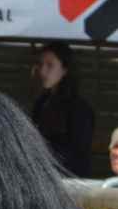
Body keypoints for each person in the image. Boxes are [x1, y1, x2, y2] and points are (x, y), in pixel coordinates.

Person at [31, 41, 95, 178]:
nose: (42, 71)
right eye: (40, 64)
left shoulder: (79, 108)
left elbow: (78, 153)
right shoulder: (40, 103)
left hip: (70, 182)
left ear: (65, 69)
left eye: (50, 65)